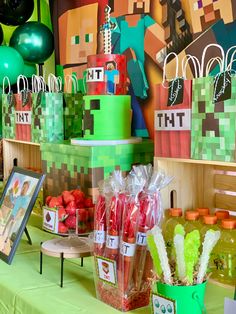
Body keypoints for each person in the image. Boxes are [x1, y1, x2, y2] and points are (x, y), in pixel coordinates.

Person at [0, 181, 30, 251]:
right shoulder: (19, 197)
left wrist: (16, 217)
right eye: (23, 186)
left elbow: (22, 209)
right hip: (12, 214)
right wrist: (10, 194)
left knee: (10, 229)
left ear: (27, 189)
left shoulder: (26, 199)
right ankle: (2, 236)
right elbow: (13, 201)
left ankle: (6, 241)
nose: (23, 188)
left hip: (16, 217)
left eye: (25, 187)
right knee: (6, 226)